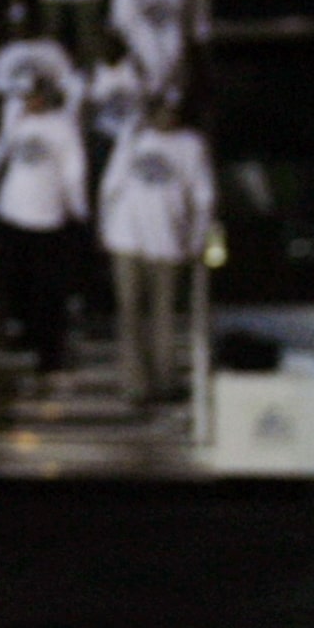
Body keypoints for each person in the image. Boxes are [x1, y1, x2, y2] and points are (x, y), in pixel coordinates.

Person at [0, 76, 88, 372]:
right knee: (17, 284)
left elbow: (74, 170)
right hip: (13, 213)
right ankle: (24, 337)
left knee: (48, 290)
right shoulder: (16, 122)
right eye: (27, 97)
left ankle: (50, 352)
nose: (31, 102)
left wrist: (78, 208)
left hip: (49, 217)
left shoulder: (62, 126)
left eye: (36, 97)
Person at [97, 96, 215, 402]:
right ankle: (135, 384)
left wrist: (196, 238)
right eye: (160, 112)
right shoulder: (133, 139)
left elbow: (204, 196)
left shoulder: (191, 145)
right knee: (130, 313)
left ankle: (165, 381)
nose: (166, 118)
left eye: (172, 113)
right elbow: (110, 186)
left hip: (169, 241)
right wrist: (106, 228)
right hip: (127, 238)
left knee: (164, 314)